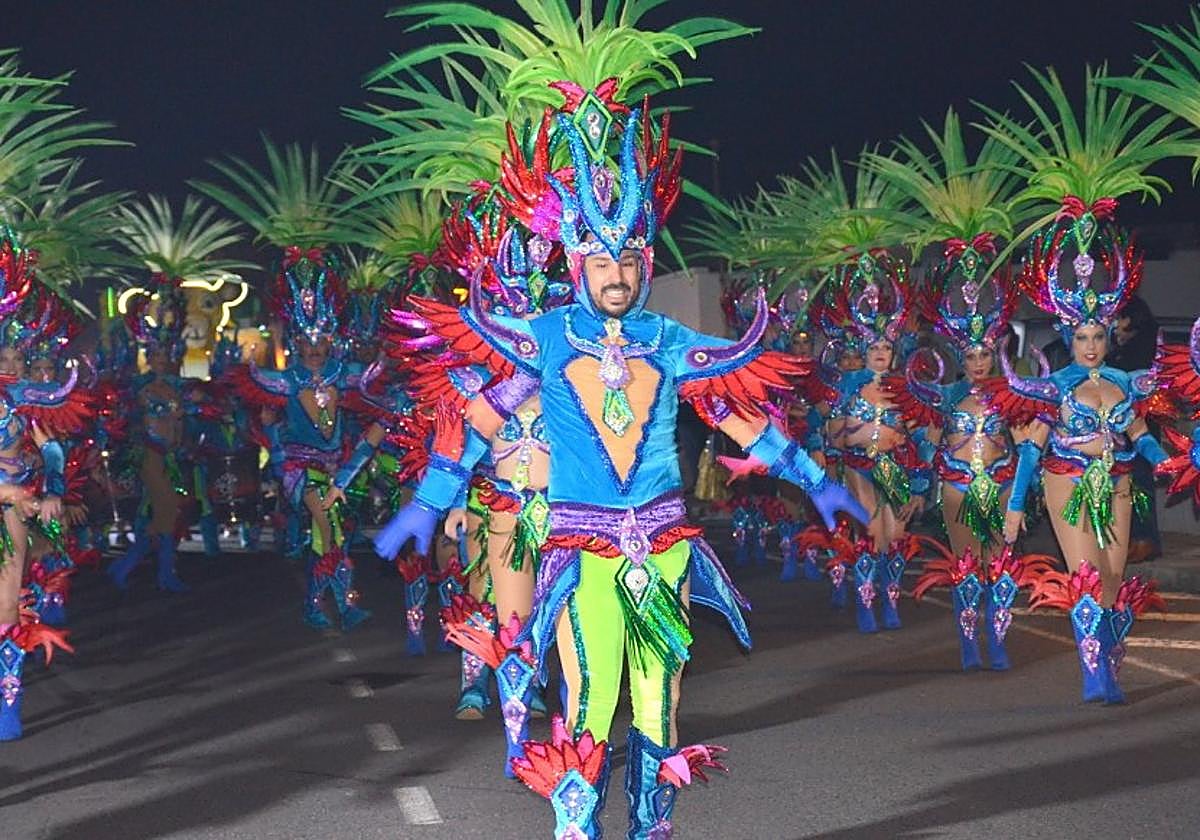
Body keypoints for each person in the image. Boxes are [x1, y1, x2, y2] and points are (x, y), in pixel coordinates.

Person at [376, 83, 866, 838]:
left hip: (664, 548)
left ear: (643, 262)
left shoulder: (668, 341)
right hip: (582, 546)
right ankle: (579, 828)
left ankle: (649, 828)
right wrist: (429, 500)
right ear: (577, 261)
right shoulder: (543, 336)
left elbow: (735, 413)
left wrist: (815, 478)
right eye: (601, 259)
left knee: (661, 703)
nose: (616, 274)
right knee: (590, 698)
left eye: (629, 260)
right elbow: (478, 418)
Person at [992, 214, 1168, 704]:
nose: (1090, 346)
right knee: (1087, 576)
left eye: (1098, 337)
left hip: (1118, 483)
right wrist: (1015, 504)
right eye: (1082, 338)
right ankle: (1094, 674)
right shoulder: (1056, 385)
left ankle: (1110, 665)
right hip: (1066, 482)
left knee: (1113, 579)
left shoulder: (1126, 384)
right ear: (1070, 340)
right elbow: (1031, 446)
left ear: (1109, 335)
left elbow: (1139, 435)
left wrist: (1168, 462)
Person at [1107, 295, 1162, 562]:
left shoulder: (1139, 349)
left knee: (1139, 482)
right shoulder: (1140, 345)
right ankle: (1138, 539)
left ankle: (1143, 540)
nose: (1114, 325)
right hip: (1134, 425)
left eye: (1118, 318)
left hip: (1137, 424)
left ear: (1129, 319)